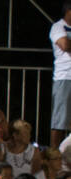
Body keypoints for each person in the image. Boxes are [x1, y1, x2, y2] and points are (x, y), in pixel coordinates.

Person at [53, 0, 71, 149]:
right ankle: (54, 154)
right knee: (60, 120)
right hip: (65, 77)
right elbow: (65, 45)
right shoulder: (58, 27)